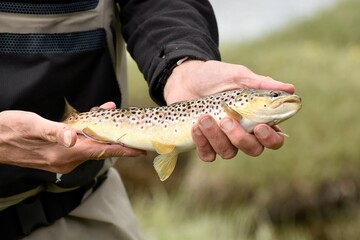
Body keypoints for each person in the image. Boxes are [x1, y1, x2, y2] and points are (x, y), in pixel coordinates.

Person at [0, 0, 294, 239]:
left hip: (81, 208)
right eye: (268, 98)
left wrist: (182, 61)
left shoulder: (233, 109)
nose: (274, 100)